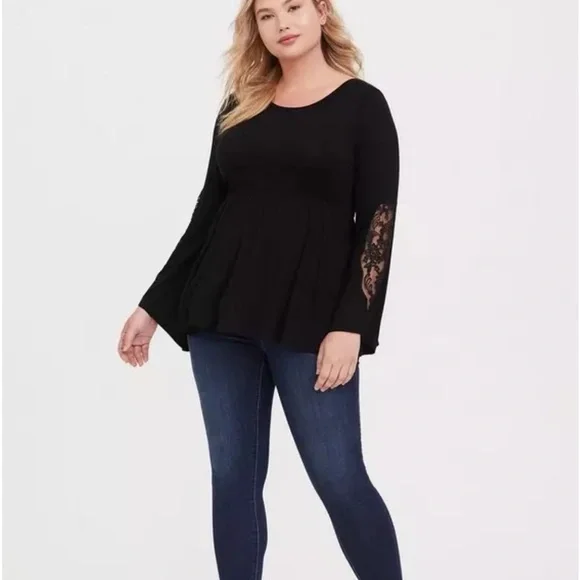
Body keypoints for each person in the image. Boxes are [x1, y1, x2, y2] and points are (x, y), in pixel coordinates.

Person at [117, 0, 402, 578]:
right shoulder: (241, 103)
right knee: (233, 480)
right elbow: (209, 213)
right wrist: (153, 305)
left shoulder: (363, 106)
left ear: (322, 11)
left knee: (340, 478)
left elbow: (378, 223)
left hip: (312, 321)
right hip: (221, 317)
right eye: (266, 15)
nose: (282, 23)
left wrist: (351, 324)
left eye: (294, 7)